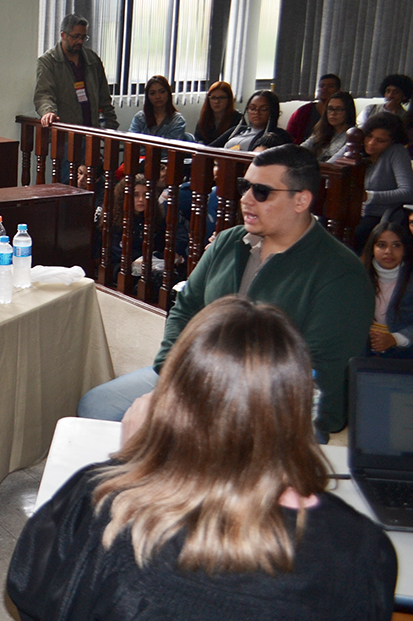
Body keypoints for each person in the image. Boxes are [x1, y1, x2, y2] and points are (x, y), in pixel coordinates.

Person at [9, 296, 396, 621]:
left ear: (172, 399)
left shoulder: (98, 501)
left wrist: (132, 461)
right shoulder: (360, 549)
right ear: (298, 408)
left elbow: (35, 600)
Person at [78, 145, 373, 437]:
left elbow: (319, 373)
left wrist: (209, 406)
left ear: (301, 201)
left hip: (275, 406)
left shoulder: (340, 272)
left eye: (261, 192)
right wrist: (173, 372)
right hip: (199, 374)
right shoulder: (230, 241)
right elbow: (186, 308)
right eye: (245, 187)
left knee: (181, 437)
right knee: (96, 406)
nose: (245, 199)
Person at [337, 111, 413, 251]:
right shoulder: (356, 143)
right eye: (369, 136)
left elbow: (408, 192)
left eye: (380, 140)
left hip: (379, 215)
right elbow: (329, 167)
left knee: (354, 235)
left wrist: (369, 196)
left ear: (392, 141)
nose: (371, 143)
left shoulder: (396, 152)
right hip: (347, 210)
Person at [107, 174, 187, 300]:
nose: (141, 199)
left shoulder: (158, 215)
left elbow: (179, 236)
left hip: (154, 263)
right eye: (135, 195)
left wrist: (171, 254)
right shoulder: (115, 219)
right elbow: (119, 250)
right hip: (124, 267)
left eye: (146, 195)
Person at [34, 14, 117, 130]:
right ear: (63, 35)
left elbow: (104, 98)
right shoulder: (48, 61)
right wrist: (48, 112)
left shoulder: (92, 60)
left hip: (91, 130)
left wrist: (111, 126)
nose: (80, 41)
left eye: (83, 37)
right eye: (76, 36)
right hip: (65, 132)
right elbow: (44, 94)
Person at [361, 221, 413, 359]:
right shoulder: (357, 276)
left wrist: (395, 339)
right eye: (381, 245)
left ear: (405, 249)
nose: (388, 251)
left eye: (396, 245)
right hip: (360, 348)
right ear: (372, 248)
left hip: (402, 354)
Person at [211, 89, 292, 150]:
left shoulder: (279, 136)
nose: (257, 112)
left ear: (273, 111)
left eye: (264, 109)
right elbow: (209, 149)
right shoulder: (238, 130)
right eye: (252, 108)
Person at [285, 73, 342, 145]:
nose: (324, 89)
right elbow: (288, 137)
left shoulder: (342, 113)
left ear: (338, 91)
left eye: (330, 86)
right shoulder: (303, 111)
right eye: (321, 86)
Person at [301, 90, 356, 162]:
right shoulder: (321, 130)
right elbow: (302, 149)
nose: (333, 113)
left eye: (338, 109)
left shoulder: (353, 135)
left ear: (348, 112)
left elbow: (334, 162)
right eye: (330, 108)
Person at [127, 75, 188, 140]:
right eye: (152, 93)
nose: (157, 97)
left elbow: (170, 145)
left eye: (162, 92)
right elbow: (131, 141)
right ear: (148, 96)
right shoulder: (140, 117)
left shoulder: (177, 121)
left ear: (168, 93)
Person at [193, 81, 240, 145]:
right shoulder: (205, 117)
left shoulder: (238, 119)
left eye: (221, 98)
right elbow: (198, 139)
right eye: (213, 98)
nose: (217, 101)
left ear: (229, 99)